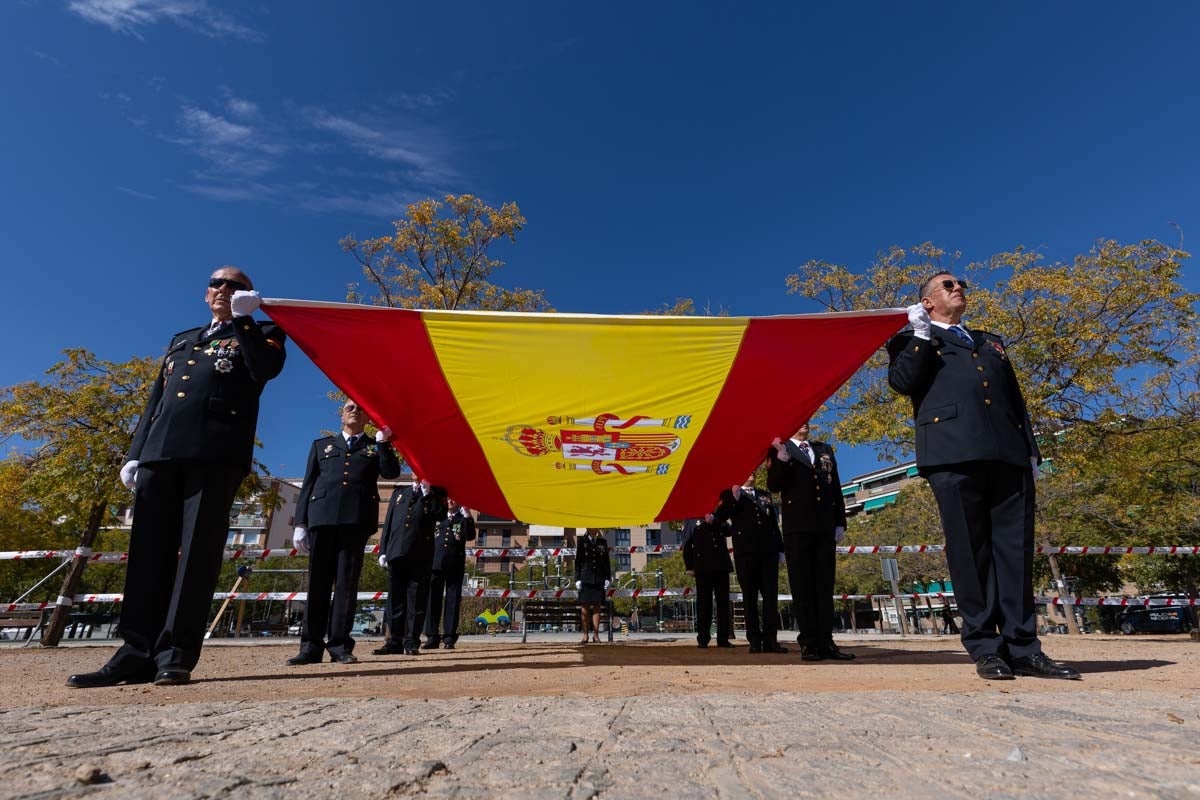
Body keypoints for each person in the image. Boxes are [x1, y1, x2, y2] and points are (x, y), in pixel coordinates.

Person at [67, 267, 286, 688]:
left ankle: (175, 654)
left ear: (248, 294)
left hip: (214, 455)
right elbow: (156, 401)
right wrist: (136, 454)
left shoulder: (264, 331)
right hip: (161, 454)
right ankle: (135, 652)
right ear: (206, 293)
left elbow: (264, 369)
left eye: (235, 286)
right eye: (217, 283)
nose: (224, 289)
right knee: (148, 554)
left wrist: (245, 319)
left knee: (196, 557)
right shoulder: (182, 340)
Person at [887, 272, 1079, 681]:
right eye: (948, 285)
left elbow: (1014, 400)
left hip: (1007, 454)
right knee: (970, 555)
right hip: (953, 454)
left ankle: (1024, 648)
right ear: (927, 303)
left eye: (961, 286)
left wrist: (1030, 450)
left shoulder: (991, 341)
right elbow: (903, 382)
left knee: (1014, 553)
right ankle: (985, 647)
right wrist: (920, 335)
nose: (959, 289)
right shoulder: (908, 340)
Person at [287, 400, 400, 665]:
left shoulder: (373, 447)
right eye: (349, 407)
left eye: (359, 408)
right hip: (321, 520)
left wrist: (384, 443)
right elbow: (309, 485)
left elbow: (391, 472)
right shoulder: (321, 446)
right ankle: (310, 647)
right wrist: (300, 524)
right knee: (317, 585)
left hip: (355, 521)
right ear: (341, 415)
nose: (353, 411)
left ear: (367, 418)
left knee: (346, 587)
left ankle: (339, 645)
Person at [767, 421, 855, 662]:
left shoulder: (824, 448)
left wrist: (840, 521)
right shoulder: (780, 449)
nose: (804, 424)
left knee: (825, 586)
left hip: (825, 525)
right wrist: (781, 461)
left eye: (807, 419)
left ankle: (827, 641)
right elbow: (773, 486)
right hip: (798, 527)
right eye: (799, 420)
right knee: (803, 586)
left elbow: (834, 485)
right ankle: (809, 643)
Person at [373, 477, 447, 656]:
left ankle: (411, 641)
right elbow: (389, 524)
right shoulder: (399, 493)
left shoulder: (436, 493)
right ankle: (394, 641)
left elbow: (440, 515)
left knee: (416, 600)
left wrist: (427, 493)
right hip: (396, 551)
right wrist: (383, 550)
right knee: (395, 600)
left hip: (420, 553)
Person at [714, 476, 787, 653]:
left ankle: (771, 640)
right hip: (746, 553)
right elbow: (720, 518)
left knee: (770, 598)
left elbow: (773, 524)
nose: (752, 474)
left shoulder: (764, 495)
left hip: (768, 552)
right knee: (750, 598)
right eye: (749, 471)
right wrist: (735, 498)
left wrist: (780, 548)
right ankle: (754, 640)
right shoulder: (730, 493)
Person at [423, 499, 476, 650]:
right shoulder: (438, 517)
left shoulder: (463, 519)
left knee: (452, 602)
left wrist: (467, 516)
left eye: (454, 499)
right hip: (435, 564)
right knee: (433, 601)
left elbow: (470, 535)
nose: (451, 501)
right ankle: (432, 636)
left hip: (455, 565)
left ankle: (449, 637)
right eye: (448, 498)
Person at [682, 514, 734, 648]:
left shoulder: (718, 515)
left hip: (721, 565)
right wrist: (689, 566)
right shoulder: (691, 518)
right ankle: (703, 638)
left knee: (723, 604)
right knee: (704, 604)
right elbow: (687, 543)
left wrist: (716, 521)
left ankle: (723, 639)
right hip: (703, 567)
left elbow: (729, 531)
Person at [574, 529, 611, 643]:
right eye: (592, 528)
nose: (595, 530)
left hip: (599, 578)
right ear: (588, 529)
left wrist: (608, 578)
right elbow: (578, 562)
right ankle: (585, 635)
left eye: (596, 528)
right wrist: (577, 579)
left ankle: (596, 635)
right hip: (585, 578)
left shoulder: (602, 542)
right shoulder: (582, 542)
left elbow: (606, 561)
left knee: (597, 607)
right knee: (584, 608)